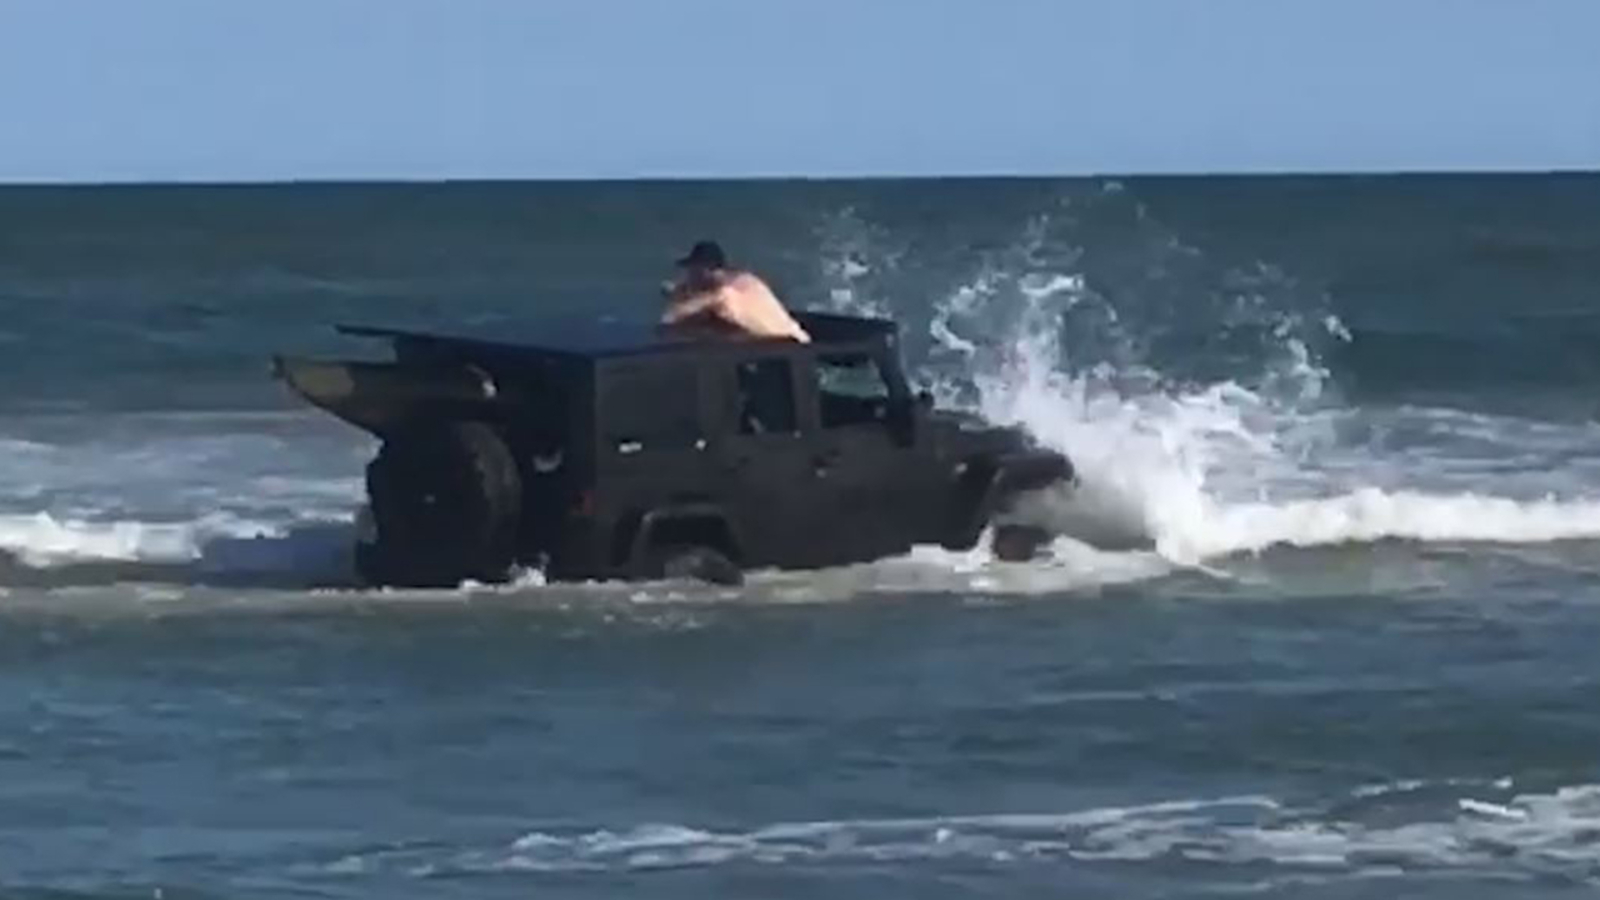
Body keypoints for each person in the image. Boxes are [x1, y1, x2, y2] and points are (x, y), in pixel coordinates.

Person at [661, 241, 812, 343]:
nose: (689, 275)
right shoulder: (735, 283)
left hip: (793, 350)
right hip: (775, 348)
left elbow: (721, 298)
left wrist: (677, 310)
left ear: (707, 269)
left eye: (692, 269)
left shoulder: (730, 292)